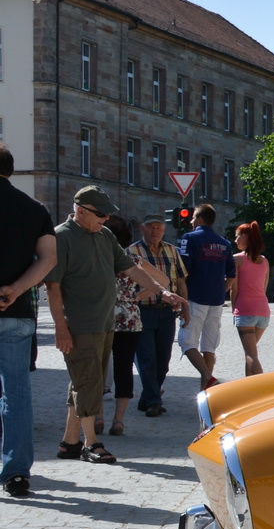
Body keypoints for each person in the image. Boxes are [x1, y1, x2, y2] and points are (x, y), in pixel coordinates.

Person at [45, 186, 181, 466]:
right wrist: (60, 328)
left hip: (106, 323)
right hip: (79, 326)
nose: (105, 219)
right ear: (80, 210)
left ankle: (69, 442)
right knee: (89, 383)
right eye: (100, 214)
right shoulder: (61, 237)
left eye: (107, 215)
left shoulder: (105, 236)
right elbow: (53, 287)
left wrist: (162, 291)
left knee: (84, 382)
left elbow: (131, 268)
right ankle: (91, 443)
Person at [0, 143, 57, 496]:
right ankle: (16, 473)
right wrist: (16, 289)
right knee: (16, 394)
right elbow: (48, 258)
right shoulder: (35, 208)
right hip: (16, 311)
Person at [128, 217, 186, 419]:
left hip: (167, 312)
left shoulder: (172, 251)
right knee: (147, 358)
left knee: (163, 361)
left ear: (164, 230)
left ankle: (147, 397)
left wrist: (186, 309)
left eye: (158, 228)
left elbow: (180, 280)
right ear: (142, 229)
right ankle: (154, 401)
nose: (155, 231)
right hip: (142, 311)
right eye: (151, 227)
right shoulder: (132, 251)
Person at [178, 204, 234, 391]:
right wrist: (221, 291)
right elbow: (231, 275)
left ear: (200, 219)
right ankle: (206, 391)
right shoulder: (224, 243)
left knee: (187, 342)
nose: (191, 221)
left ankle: (209, 378)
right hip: (216, 300)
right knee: (209, 346)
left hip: (195, 297)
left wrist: (180, 297)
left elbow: (183, 271)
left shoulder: (190, 238)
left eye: (193, 217)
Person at [106, 218, 142, 437]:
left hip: (102, 317)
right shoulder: (132, 259)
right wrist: (134, 297)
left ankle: (97, 417)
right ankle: (118, 420)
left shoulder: (99, 257)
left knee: (98, 369)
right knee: (124, 368)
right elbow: (162, 280)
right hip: (129, 318)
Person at [232, 222, 270, 377]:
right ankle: (249, 385)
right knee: (250, 352)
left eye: (237, 237)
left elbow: (234, 289)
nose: (235, 240)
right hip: (263, 312)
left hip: (245, 310)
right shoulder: (265, 261)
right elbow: (264, 288)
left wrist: (234, 310)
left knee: (251, 355)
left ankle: (263, 387)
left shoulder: (237, 259)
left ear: (244, 237)